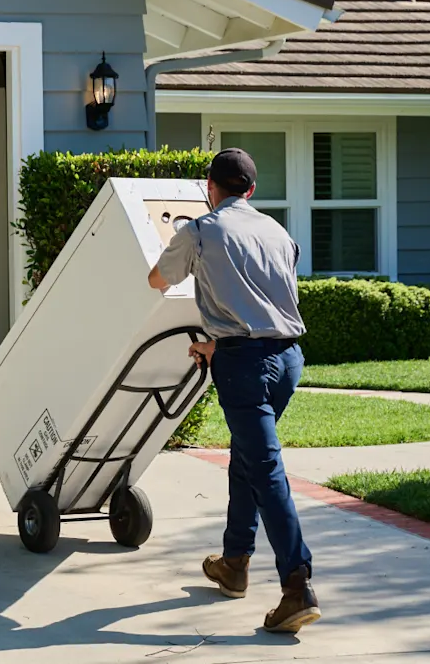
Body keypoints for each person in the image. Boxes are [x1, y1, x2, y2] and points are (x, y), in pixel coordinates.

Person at [145, 148, 321, 634]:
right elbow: (268, 307)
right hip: (287, 361)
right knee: (246, 460)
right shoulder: (279, 233)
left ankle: (296, 584)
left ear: (210, 187)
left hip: (244, 365)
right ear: (251, 190)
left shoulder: (201, 230)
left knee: (266, 471)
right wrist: (219, 343)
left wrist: (218, 338)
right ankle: (235, 562)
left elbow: (158, 279)